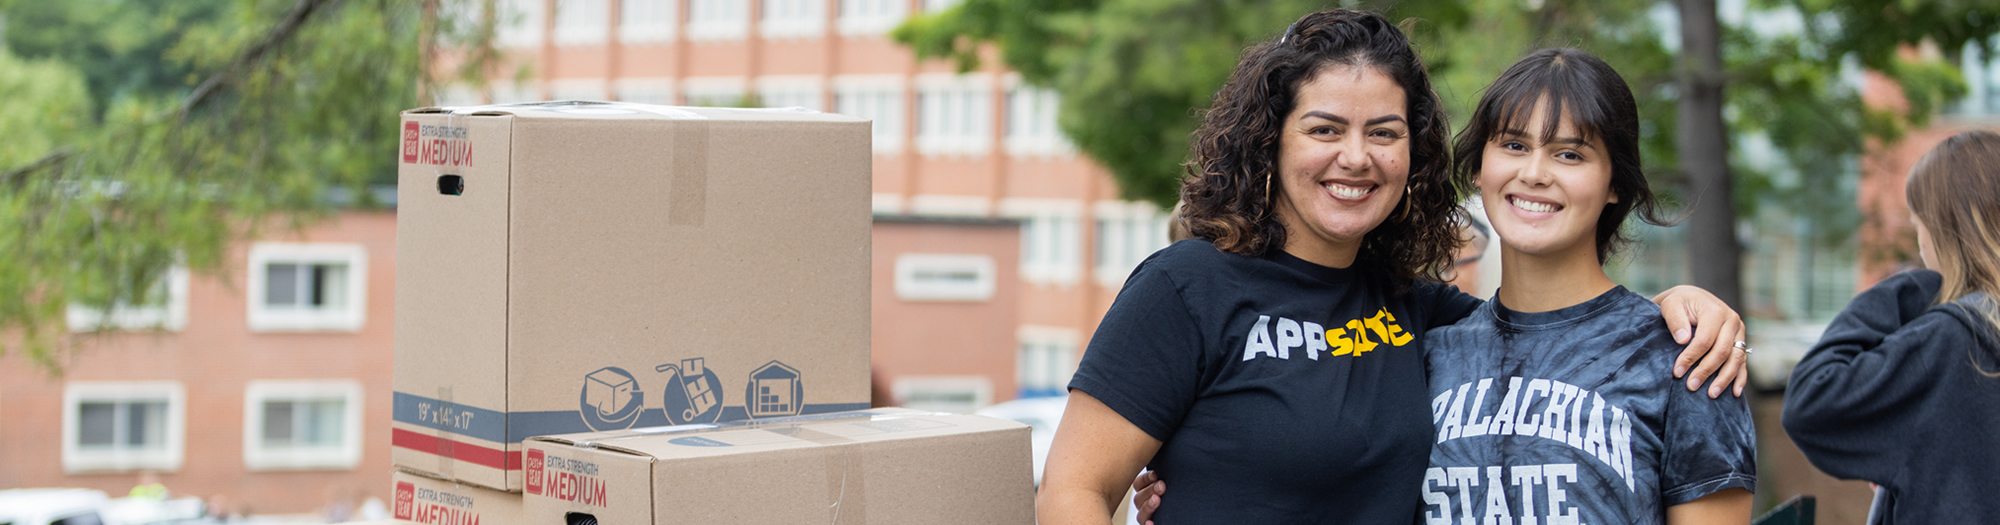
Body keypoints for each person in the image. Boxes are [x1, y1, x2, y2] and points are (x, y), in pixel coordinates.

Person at [1039, 10, 1751, 524]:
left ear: (1413, 156)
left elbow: (1555, 328)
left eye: (1383, 132)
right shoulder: (1186, 286)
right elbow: (1071, 492)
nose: (1356, 157)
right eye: (1324, 129)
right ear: (1271, 141)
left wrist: (1687, 306)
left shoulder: (1427, 316)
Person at [1417, 48, 1754, 524]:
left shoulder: (1685, 360)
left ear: (1615, 182)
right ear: (1478, 169)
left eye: (1570, 154)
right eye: (1514, 146)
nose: (1533, 173)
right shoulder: (1430, 352)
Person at [1781, 129, 2000, 524]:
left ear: (1943, 231)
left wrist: (1911, 289)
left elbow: (1811, 402)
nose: (1920, 246)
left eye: (1918, 226)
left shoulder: (1953, 341)